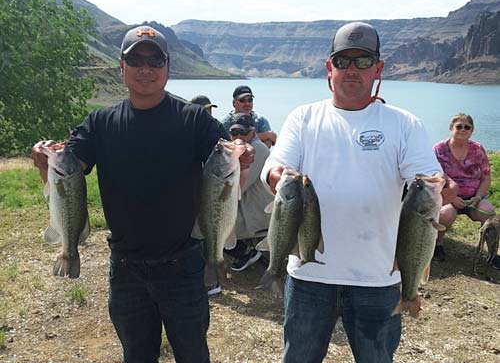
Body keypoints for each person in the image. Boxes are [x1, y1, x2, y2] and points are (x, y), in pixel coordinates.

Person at [31, 25, 254, 363]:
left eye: (155, 60)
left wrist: (242, 152)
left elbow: (227, 155)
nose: (146, 68)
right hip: (126, 269)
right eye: (136, 60)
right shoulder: (100, 123)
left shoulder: (194, 120)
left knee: (193, 354)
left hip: (185, 265)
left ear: (168, 67)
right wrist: (43, 160)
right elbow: (68, 168)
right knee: (136, 355)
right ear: (121, 67)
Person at [260, 21, 457, 363]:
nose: (352, 69)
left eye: (363, 61)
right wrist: (277, 176)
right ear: (329, 67)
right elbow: (274, 169)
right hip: (309, 277)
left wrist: (444, 185)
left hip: (378, 279)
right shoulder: (303, 118)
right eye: (343, 60)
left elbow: (426, 178)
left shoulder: (403, 123)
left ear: (378, 68)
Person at [433, 113, 498, 267]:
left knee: (490, 214)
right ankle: (437, 244)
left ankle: (492, 254)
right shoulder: (439, 149)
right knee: (445, 214)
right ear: (451, 128)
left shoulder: (478, 149)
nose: (463, 129)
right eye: (459, 126)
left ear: (471, 131)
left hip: (474, 198)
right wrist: (452, 198)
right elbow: (434, 179)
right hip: (448, 197)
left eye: (467, 127)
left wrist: (478, 197)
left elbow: (486, 178)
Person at [224, 113, 274, 272]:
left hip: (257, 216)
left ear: (253, 132)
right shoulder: (242, 151)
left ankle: (244, 252)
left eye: (243, 133)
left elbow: (234, 191)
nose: (239, 137)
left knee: (209, 223)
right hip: (249, 208)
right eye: (234, 133)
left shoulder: (256, 150)